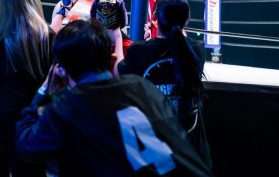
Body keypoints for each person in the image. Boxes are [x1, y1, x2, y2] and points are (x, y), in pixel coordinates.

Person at [15, 19, 212, 177]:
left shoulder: (67, 108)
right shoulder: (141, 87)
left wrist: (44, 90)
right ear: (110, 59)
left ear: (62, 71)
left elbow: (26, 146)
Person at [0, 0, 72, 177]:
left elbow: (36, 32)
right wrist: (61, 12)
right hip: (22, 124)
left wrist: (61, 12)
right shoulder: (43, 38)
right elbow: (43, 36)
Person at [117, 0, 211, 168]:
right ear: (187, 19)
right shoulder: (197, 50)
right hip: (192, 156)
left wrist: (116, 34)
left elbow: (119, 72)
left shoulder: (140, 51)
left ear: (154, 18)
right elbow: (179, 44)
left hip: (156, 156)